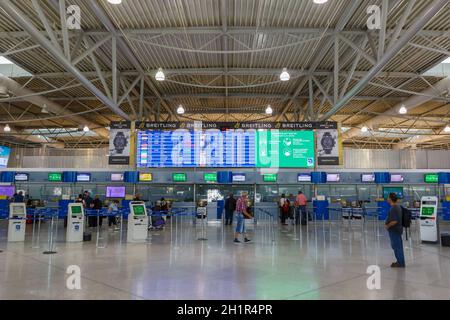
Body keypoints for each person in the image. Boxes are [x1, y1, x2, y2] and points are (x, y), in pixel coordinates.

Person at [385, 193, 405, 268]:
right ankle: (400, 262)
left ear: (390, 199)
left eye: (388, 198)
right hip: (397, 230)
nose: (387, 199)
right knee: (397, 246)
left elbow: (394, 221)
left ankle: (400, 263)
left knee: (397, 247)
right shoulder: (397, 207)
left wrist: (387, 226)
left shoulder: (394, 208)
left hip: (395, 230)